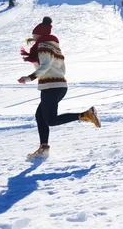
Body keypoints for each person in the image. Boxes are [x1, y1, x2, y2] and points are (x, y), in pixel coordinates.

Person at [18, 17, 101, 159]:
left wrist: (29, 78)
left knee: (50, 119)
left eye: (35, 34)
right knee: (40, 116)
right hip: (59, 86)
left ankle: (85, 115)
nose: (33, 37)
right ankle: (44, 148)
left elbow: (45, 66)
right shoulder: (55, 47)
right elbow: (62, 68)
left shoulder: (43, 46)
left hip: (51, 87)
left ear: (41, 34)